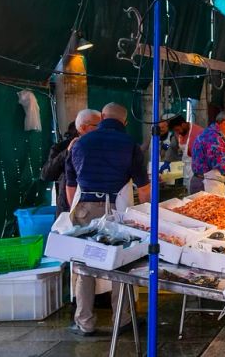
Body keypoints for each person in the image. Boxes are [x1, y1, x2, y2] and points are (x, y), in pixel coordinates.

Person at [65, 103, 151, 337]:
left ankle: (84, 321)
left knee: (84, 265)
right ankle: (121, 319)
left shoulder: (79, 144)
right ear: (124, 122)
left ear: (102, 117)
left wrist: (76, 213)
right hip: (117, 211)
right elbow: (144, 189)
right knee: (121, 263)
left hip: (83, 209)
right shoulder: (130, 145)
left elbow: (70, 187)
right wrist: (144, 215)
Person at [166, 115, 204, 191]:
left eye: (177, 129)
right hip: (186, 167)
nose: (177, 132)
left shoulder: (199, 133)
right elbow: (173, 147)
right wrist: (167, 161)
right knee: (188, 189)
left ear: (183, 124)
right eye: (175, 131)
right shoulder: (178, 133)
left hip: (198, 169)